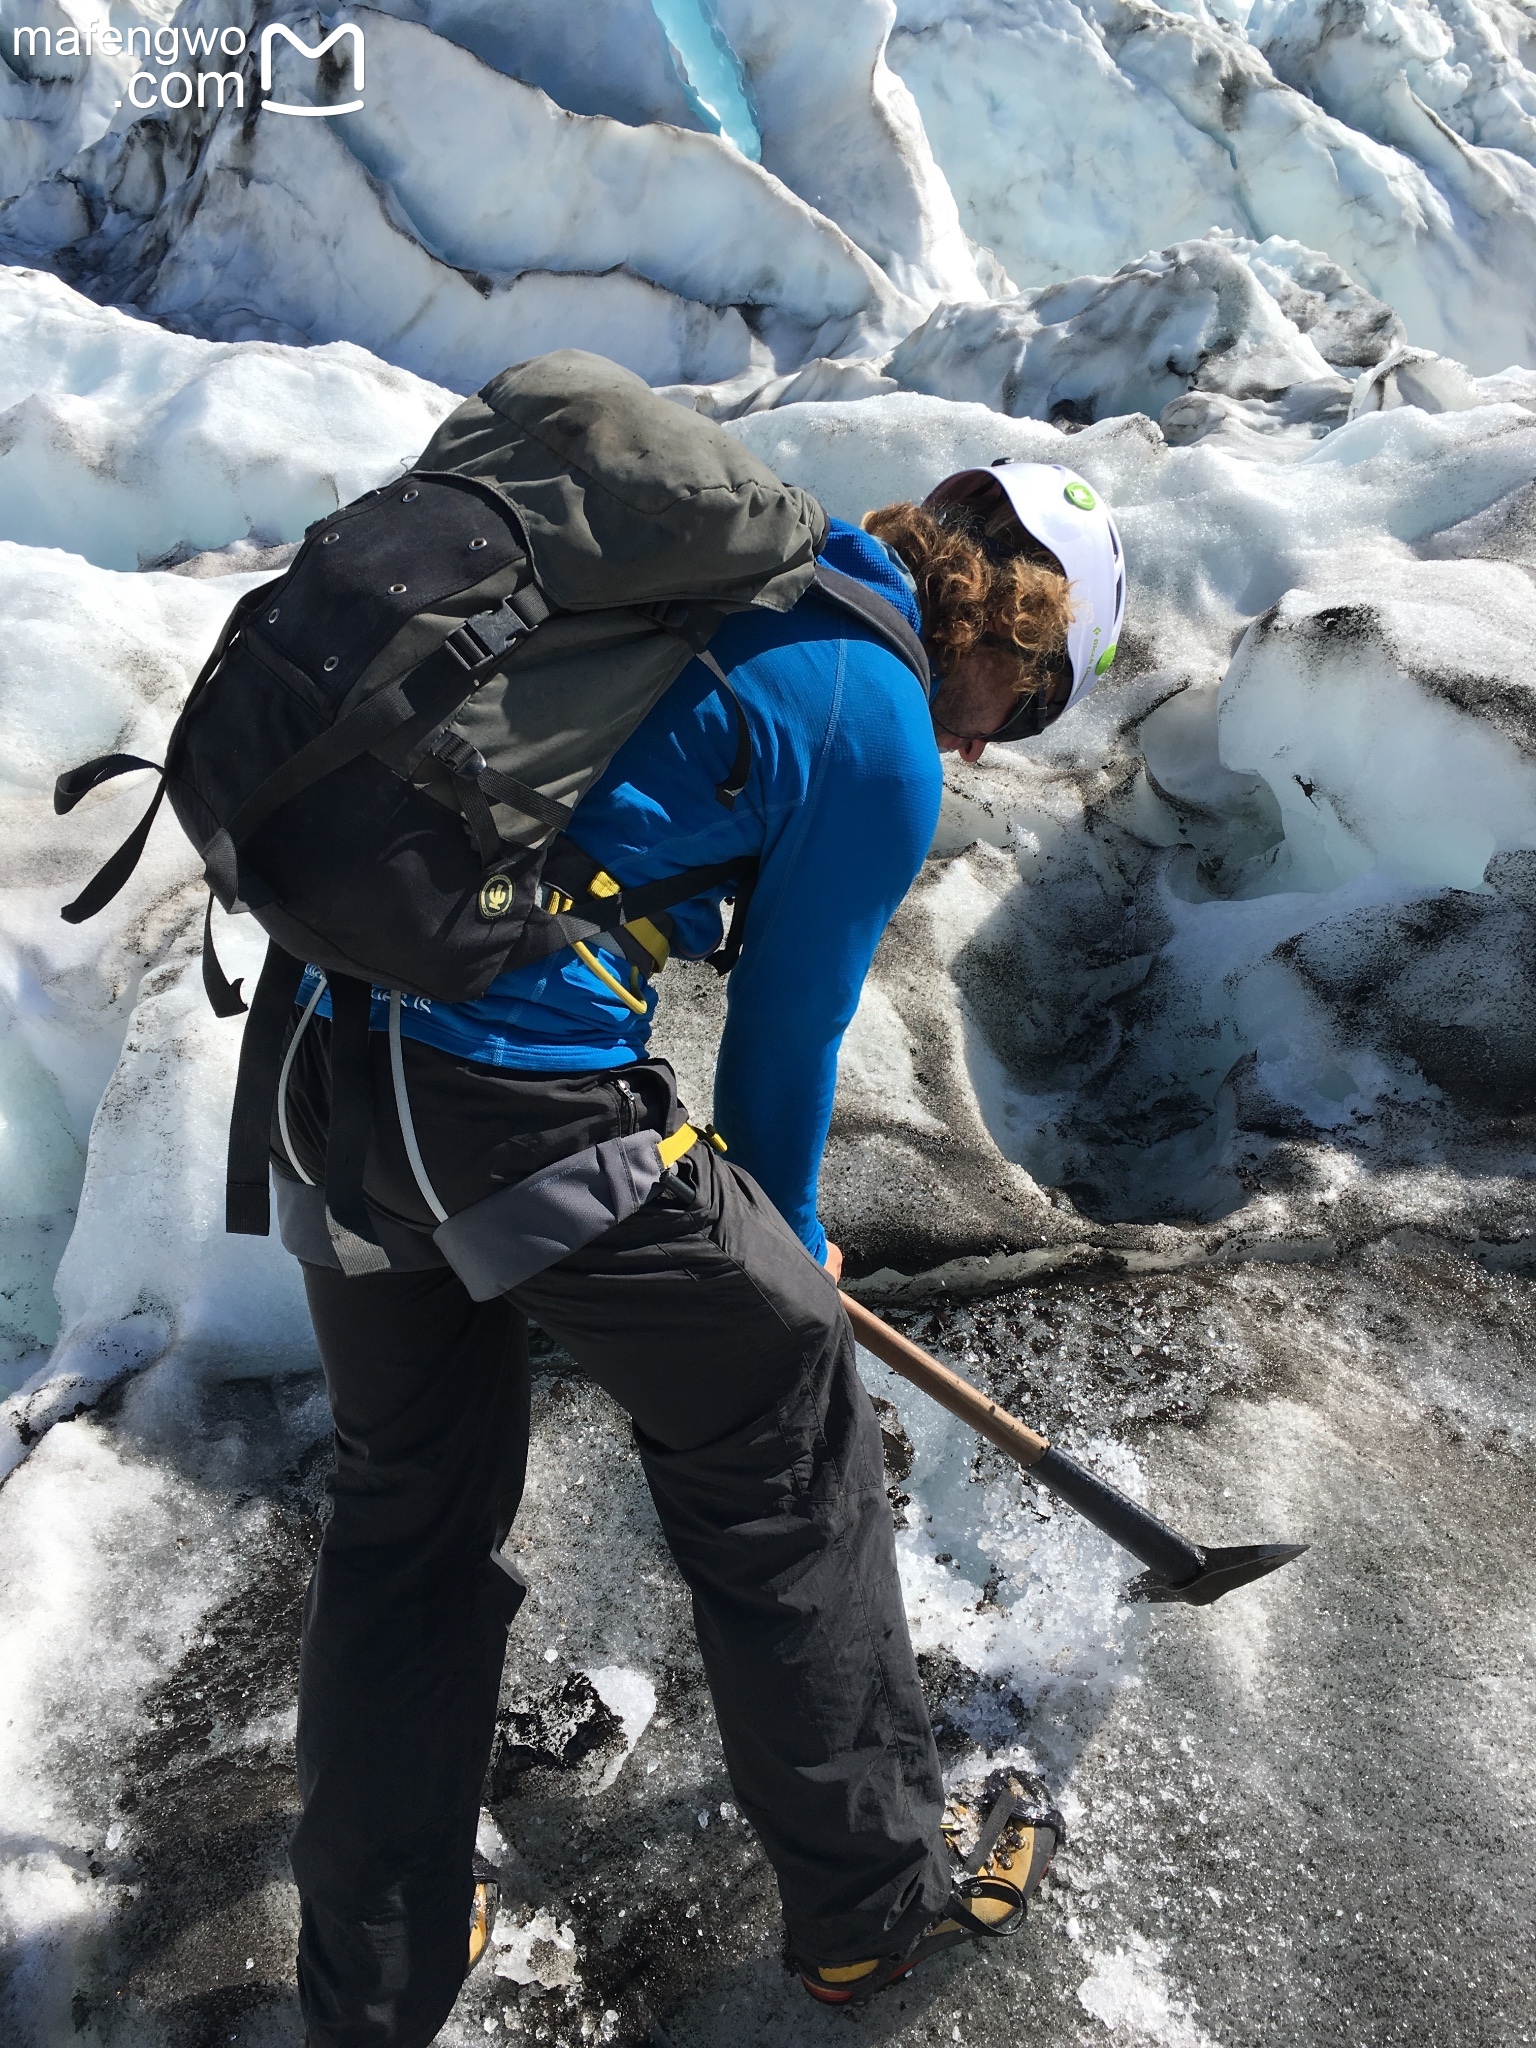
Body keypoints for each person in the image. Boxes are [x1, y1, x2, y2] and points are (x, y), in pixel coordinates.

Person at [271, 458, 1126, 2043]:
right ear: (1014, 622)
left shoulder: (718, 591)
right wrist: (791, 1262)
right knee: (784, 1403)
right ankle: (873, 1913)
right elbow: (784, 1054)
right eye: (1029, 696)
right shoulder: (872, 716)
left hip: (330, 1057)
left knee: (410, 1510)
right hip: (501, 1098)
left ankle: (373, 1975)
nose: (989, 735)